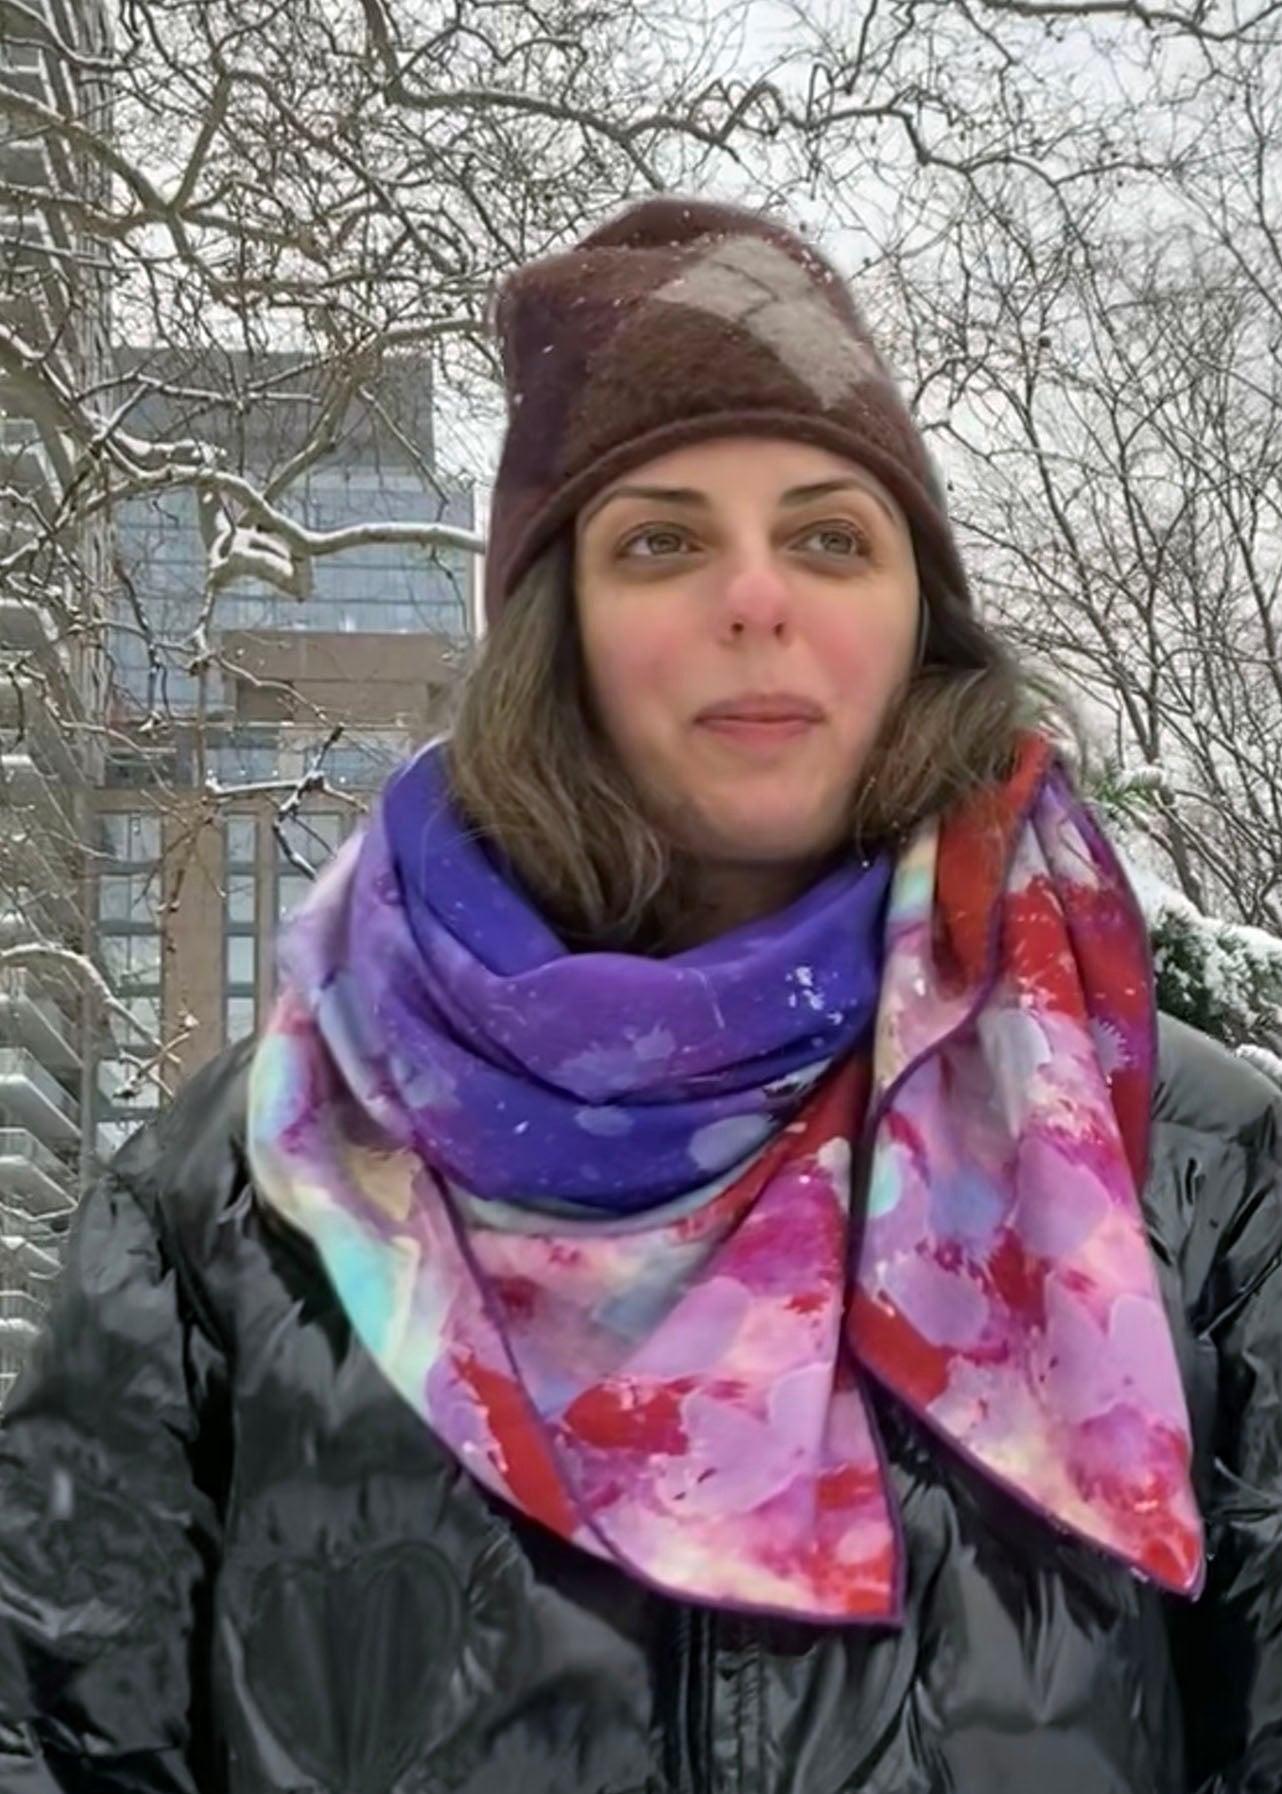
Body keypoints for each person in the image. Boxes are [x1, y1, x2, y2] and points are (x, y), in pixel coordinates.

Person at [1, 198, 1280, 1794]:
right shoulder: (239, 1194)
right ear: (559, 628)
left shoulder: (1193, 1170)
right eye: (661, 537)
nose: (755, 595)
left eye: (829, 533)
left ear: (914, 619)